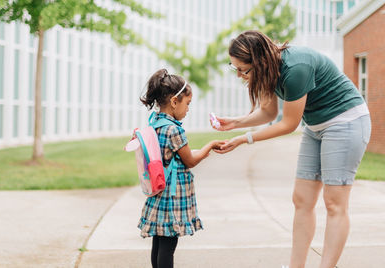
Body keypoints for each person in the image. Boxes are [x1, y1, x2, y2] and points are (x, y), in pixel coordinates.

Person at [214, 30, 371, 268]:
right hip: (317, 126)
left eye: (242, 69)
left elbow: (288, 124)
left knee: (334, 202)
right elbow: (268, 113)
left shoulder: (295, 68)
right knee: (301, 199)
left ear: (259, 62)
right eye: (233, 67)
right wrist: (235, 123)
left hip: (345, 122)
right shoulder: (268, 71)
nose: (238, 74)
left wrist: (243, 139)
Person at [138, 69, 224, 268]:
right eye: (187, 104)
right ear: (175, 101)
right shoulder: (174, 129)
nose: (188, 109)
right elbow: (190, 160)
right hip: (172, 195)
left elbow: (172, 155)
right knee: (169, 244)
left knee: (159, 242)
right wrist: (210, 145)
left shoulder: (155, 124)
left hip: (158, 192)